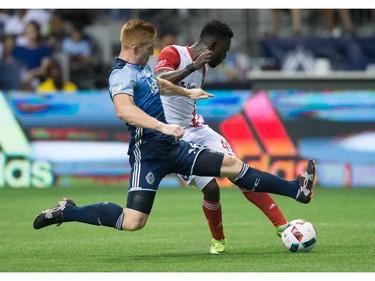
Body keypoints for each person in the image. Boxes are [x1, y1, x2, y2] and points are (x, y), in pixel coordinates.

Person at [33, 20, 316, 253]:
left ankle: (296, 189)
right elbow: (124, 110)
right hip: (150, 153)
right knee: (133, 222)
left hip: (175, 146)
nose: (151, 53)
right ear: (134, 47)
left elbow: (159, 85)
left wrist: (187, 93)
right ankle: (68, 211)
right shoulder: (119, 75)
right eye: (147, 49)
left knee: (232, 165)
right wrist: (163, 126)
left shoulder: (140, 68)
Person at [154, 19, 289, 254]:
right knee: (212, 189)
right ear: (212, 44)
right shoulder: (172, 52)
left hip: (197, 128)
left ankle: (283, 226)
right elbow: (159, 83)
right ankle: (219, 241)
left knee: (238, 171)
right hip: (175, 137)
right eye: (224, 51)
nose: (224, 58)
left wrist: (197, 67)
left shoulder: (203, 67)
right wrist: (191, 67)